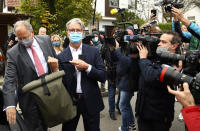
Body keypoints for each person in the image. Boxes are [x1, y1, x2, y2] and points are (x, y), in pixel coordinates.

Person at [2, 20, 58, 131]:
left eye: (25, 37)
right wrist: (10, 105)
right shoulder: (13, 53)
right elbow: (9, 80)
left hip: (48, 94)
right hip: (29, 100)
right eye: (19, 38)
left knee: (47, 124)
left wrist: (55, 67)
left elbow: (55, 61)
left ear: (32, 33)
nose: (23, 41)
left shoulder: (46, 40)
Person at [57, 18, 106, 131]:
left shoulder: (93, 51)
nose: (75, 33)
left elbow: (103, 75)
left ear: (83, 33)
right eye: (72, 30)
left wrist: (88, 67)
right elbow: (60, 83)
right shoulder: (61, 56)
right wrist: (55, 71)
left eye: (78, 30)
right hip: (70, 102)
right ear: (67, 32)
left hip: (91, 100)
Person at [136, 31, 182, 131]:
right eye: (159, 41)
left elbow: (151, 77)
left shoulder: (174, 65)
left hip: (159, 118)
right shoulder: (157, 57)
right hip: (144, 112)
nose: (159, 44)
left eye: (163, 42)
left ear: (174, 46)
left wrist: (143, 59)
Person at [110, 26, 139, 131]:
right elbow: (114, 59)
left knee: (122, 105)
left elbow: (127, 63)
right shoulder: (124, 46)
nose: (128, 36)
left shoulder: (136, 45)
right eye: (126, 34)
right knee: (126, 104)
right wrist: (112, 49)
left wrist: (117, 50)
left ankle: (125, 127)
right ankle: (131, 124)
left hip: (129, 82)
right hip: (123, 80)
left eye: (130, 33)